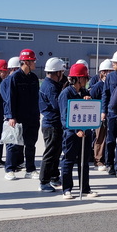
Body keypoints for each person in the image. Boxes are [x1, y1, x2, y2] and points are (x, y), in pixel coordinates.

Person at [57, 63, 99, 200]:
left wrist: (89, 101)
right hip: (71, 133)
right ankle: (67, 189)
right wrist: (76, 130)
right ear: (78, 78)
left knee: (84, 162)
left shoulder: (85, 92)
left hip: (86, 133)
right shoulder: (66, 94)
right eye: (85, 78)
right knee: (68, 161)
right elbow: (65, 117)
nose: (86, 81)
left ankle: (85, 188)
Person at [3, 49, 41, 181]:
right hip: (18, 117)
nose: (35, 63)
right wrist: (11, 116)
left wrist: (37, 114)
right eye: (33, 61)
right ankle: (10, 169)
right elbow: (10, 98)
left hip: (32, 117)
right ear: (26, 62)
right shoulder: (14, 77)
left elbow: (36, 98)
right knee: (14, 144)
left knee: (30, 144)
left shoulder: (33, 78)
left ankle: (30, 169)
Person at [38, 58, 67, 192]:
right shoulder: (50, 87)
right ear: (57, 72)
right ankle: (44, 181)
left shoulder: (50, 84)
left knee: (56, 152)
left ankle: (54, 176)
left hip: (53, 123)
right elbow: (57, 104)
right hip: (51, 124)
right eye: (62, 72)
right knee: (50, 153)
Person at [90, 59, 113, 169]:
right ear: (103, 72)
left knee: (109, 138)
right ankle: (98, 160)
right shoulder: (98, 86)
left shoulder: (111, 84)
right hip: (100, 115)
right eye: (110, 71)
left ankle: (107, 159)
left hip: (110, 115)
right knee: (100, 138)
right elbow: (91, 99)